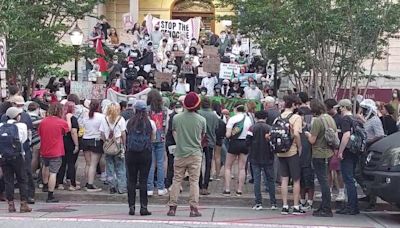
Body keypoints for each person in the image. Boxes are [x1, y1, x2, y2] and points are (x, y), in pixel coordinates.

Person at [167, 92, 205, 217]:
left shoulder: (177, 118)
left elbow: (174, 132)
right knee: (194, 181)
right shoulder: (201, 120)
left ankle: (172, 207)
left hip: (180, 153)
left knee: (177, 180)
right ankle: (193, 208)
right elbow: (202, 136)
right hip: (195, 153)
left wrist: (179, 143)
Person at [305, 100, 336, 217]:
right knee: (326, 180)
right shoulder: (329, 118)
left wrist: (308, 134)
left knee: (323, 181)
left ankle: (326, 208)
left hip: (319, 153)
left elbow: (312, 140)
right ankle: (324, 206)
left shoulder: (317, 121)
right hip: (329, 152)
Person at [3, 96, 35, 204]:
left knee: (8, 179)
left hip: (5, 154)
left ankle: (10, 203)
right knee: (24, 177)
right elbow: (27, 137)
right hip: (20, 153)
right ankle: (25, 200)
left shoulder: (3, 120)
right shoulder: (23, 120)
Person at [126, 100, 156, 216]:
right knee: (143, 180)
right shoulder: (150, 123)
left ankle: (131, 207)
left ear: (135, 110)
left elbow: (126, 136)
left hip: (131, 153)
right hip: (145, 153)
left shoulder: (129, 122)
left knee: (131, 180)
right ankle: (144, 207)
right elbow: (152, 138)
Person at [277, 95, 305, 215]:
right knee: (296, 180)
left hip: (280, 151)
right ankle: (296, 205)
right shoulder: (296, 117)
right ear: (293, 104)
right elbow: (297, 134)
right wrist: (300, 147)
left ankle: (284, 205)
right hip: (292, 151)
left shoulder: (279, 116)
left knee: (284, 179)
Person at [0, 107, 32, 213]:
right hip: (17, 156)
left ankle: (11, 204)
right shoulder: (22, 125)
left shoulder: (1, 126)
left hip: (4, 156)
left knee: (8, 180)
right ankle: (23, 204)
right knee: (22, 179)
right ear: (17, 116)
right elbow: (23, 140)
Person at [356, 99, 384, 211]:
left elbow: (380, 135)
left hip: (370, 150)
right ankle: (368, 194)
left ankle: (372, 200)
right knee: (359, 173)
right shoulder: (368, 120)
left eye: (364, 109)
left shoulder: (375, 120)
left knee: (365, 174)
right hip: (364, 150)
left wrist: (368, 141)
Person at [39, 103, 70, 203]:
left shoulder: (43, 122)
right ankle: (50, 194)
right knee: (53, 173)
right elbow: (67, 130)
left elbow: (40, 133)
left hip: (44, 149)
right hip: (56, 150)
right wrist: (68, 118)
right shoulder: (61, 122)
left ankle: (44, 184)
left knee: (45, 166)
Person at [247, 111, 277, 211]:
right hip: (268, 157)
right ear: (266, 118)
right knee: (270, 180)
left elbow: (248, 141)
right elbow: (274, 142)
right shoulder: (270, 128)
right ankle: (273, 203)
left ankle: (258, 203)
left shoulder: (252, 128)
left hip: (255, 156)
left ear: (255, 117)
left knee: (257, 180)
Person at [335, 99, 360, 215]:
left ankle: (351, 206)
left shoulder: (345, 119)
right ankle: (353, 205)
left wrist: (340, 151)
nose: (339, 109)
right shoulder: (355, 119)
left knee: (348, 179)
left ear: (344, 107)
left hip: (348, 151)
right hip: (355, 151)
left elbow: (346, 135)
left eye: (340, 107)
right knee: (351, 179)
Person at [224, 104, 253, 196]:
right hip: (245, 143)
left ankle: (227, 189)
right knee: (242, 168)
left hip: (234, 143)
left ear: (235, 109)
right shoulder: (248, 119)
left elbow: (228, 135)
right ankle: (239, 190)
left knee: (228, 166)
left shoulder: (232, 119)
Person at [99, 103, 127, 194]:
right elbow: (123, 133)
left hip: (108, 145)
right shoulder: (121, 119)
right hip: (118, 144)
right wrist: (124, 144)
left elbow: (102, 134)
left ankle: (112, 186)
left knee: (110, 167)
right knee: (120, 167)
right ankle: (121, 187)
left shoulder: (104, 119)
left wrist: (105, 141)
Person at [147, 90, 169, 196]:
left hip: (150, 138)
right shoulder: (164, 110)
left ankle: (149, 188)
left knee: (150, 163)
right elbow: (167, 125)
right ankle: (161, 187)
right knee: (160, 163)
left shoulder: (147, 110)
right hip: (161, 137)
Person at [324, 99, 346, 202]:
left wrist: (339, 148)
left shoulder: (340, 119)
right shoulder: (327, 118)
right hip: (328, 147)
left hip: (336, 147)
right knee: (328, 170)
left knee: (338, 170)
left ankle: (341, 191)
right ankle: (328, 190)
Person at [197, 97, 219, 195]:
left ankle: (199, 184)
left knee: (198, 162)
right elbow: (216, 128)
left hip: (199, 141)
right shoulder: (214, 115)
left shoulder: (198, 113)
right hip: (210, 141)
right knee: (208, 163)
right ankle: (205, 185)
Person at [56, 102, 80, 191]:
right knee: (71, 163)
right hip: (70, 142)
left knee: (62, 163)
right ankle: (72, 184)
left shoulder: (61, 118)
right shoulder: (72, 118)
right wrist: (76, 144)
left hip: (61, 141)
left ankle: (60, 183)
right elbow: (73, 132)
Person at [82, 100, 104, 192]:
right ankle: (90, 184)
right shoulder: (101, 117)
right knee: (93, 164)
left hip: (85, 139)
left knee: (88, 163)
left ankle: (87, 182)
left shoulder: (85, 116)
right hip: (96, 140)